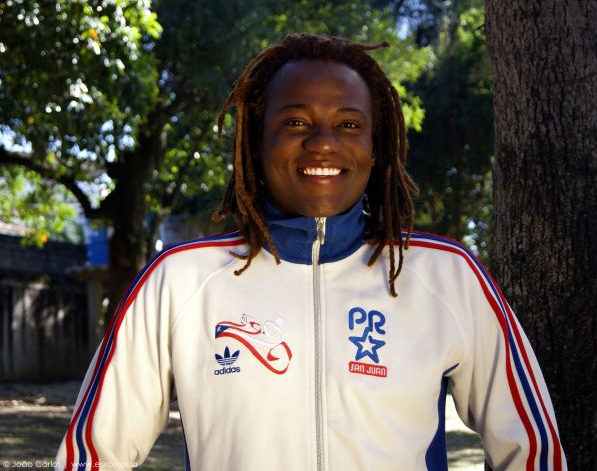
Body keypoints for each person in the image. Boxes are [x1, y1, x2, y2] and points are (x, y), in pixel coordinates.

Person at [56, 33, 566, 470]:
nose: (323, 143)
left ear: (375, 147)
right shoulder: (181, 280)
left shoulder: (446, 276)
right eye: (296, 122)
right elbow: (93, 455)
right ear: (257, 143)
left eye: (349, 124)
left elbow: (532, 451)